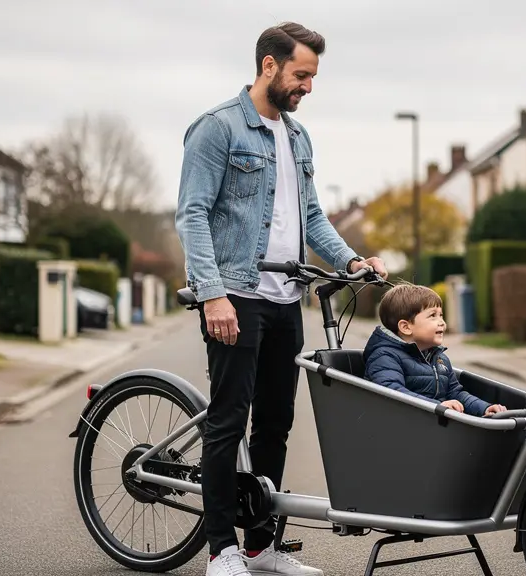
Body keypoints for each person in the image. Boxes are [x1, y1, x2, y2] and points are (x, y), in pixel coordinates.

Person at [175, 21, 388, 576]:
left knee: (275, 424)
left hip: (285, 295)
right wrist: (212, 293)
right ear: (268, 66)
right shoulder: (217, 129)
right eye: (301, 75)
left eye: (313, 76)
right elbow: (192, 214)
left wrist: (350, 262)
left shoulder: (297, 138)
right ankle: (220, 550)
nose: (308, 87)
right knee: (228, 421)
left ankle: (259, 546)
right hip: (234, 294)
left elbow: (310, 216)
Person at [363, 283, 506, 417]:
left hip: (435, 425)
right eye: (433, 316)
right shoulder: (385, 356)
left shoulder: (439, 358)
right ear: (406, 327)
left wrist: (484, 408)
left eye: (441, 315)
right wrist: (438, 406)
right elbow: (391, 391)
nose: (442, 322)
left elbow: (455, 393)